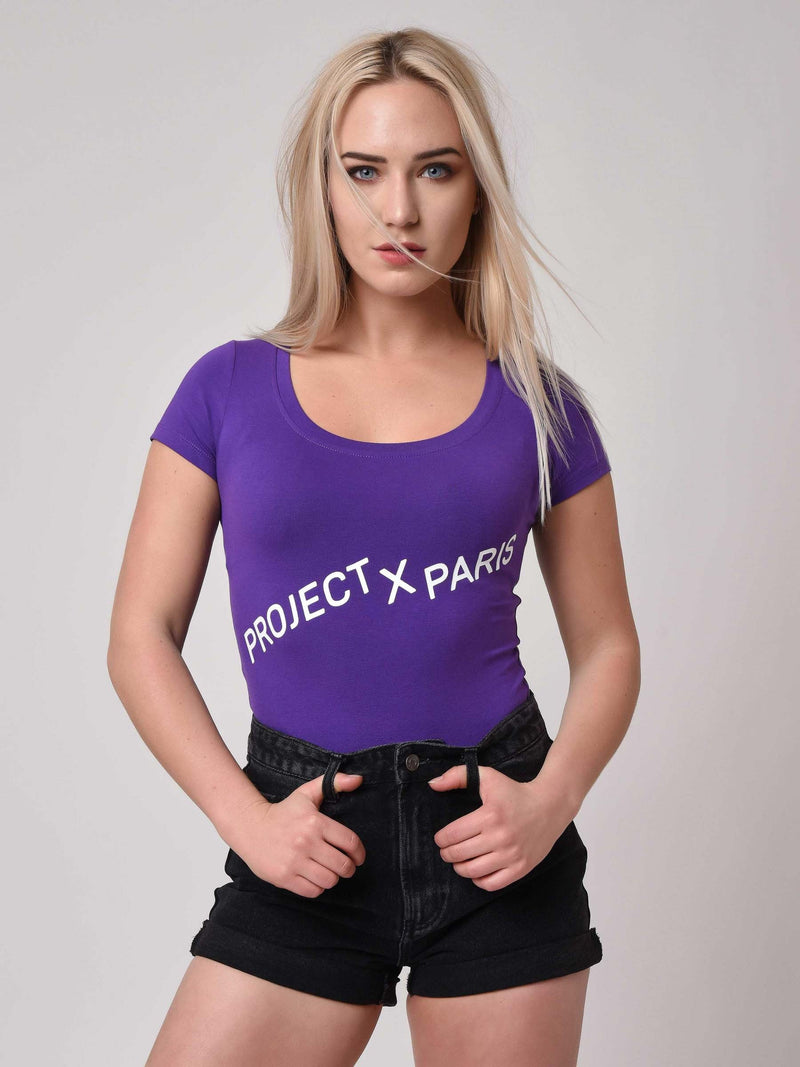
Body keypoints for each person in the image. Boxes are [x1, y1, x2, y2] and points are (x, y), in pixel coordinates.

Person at [107, 25, 640, 1067]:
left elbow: (609, 643)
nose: (398, 210)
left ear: (476, 191)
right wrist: (245, 818)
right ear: (322, 187)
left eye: (434, 170)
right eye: (364, 171)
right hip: (302, 831)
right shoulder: (226, 390)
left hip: (492, 833)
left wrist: (551, 800)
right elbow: (140, 634)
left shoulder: (539, 404)